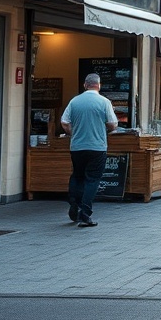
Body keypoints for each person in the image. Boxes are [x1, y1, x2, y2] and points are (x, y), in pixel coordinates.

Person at [61, 73, 118, 227]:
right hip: (97, 147)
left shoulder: (74, 101)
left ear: (85, 85)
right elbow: (112, 124)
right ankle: (85, 214)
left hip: (77, 147)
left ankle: (74, 204)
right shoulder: (104, 102)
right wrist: (104, 129)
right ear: (99, 85)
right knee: (92, 179)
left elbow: (64, 122)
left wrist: (74, 133)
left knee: (77, 176)